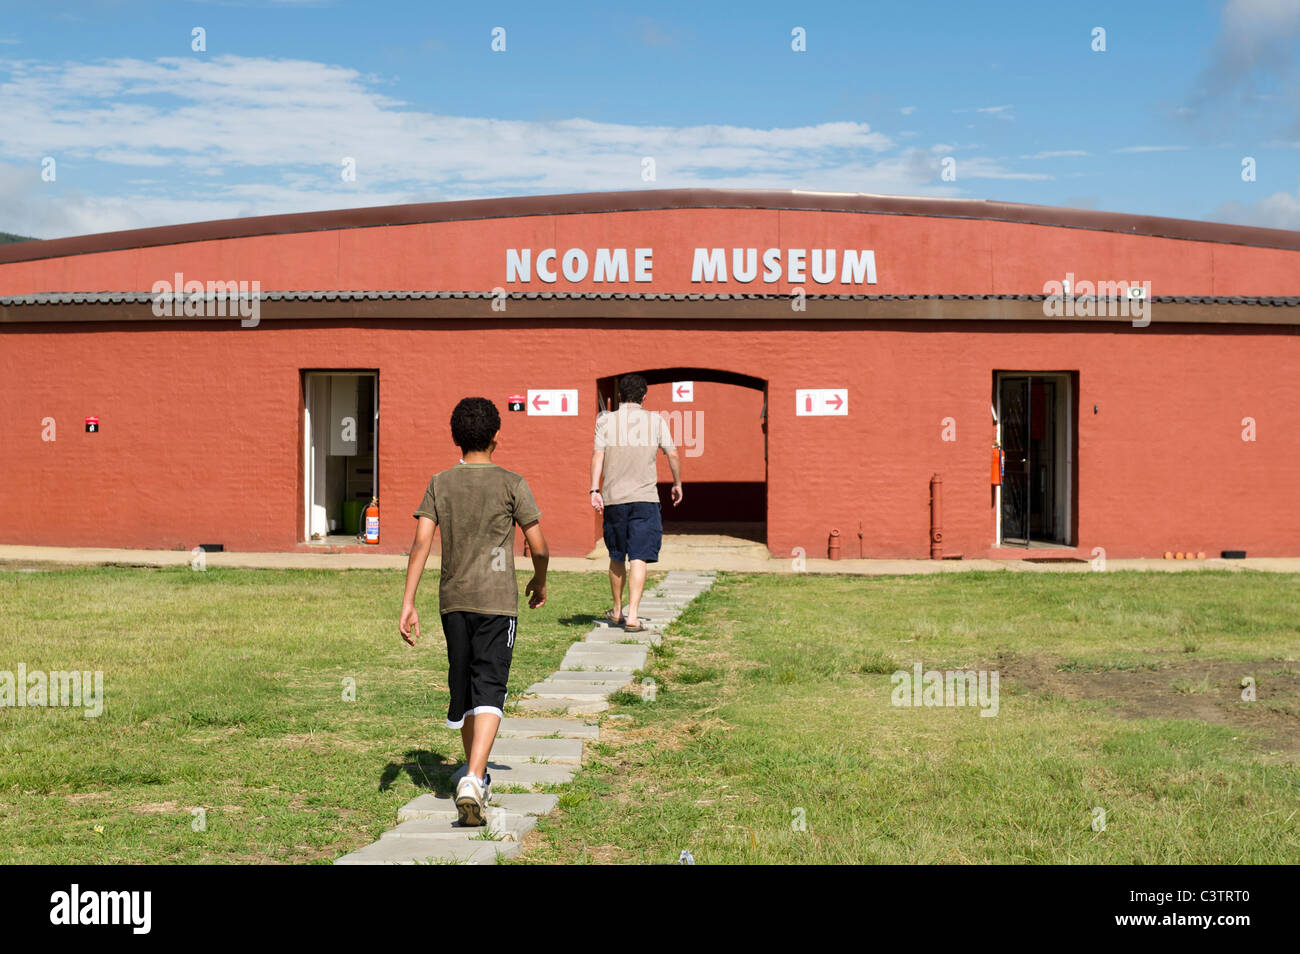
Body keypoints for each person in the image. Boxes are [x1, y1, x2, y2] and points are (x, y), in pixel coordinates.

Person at [399, 397, 549, 826]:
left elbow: (420, 545)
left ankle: (473, 776)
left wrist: (408, 602)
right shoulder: (512, 483)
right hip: (497, 604)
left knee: (466, 688)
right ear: (497, 437)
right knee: (491, 686)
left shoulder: (439, 483)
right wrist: (539, 580)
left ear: (455, 437)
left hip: (454, 602)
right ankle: (474, 776)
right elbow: (538, 545)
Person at [589, 374, 682, 632]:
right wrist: (677, 483)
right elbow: (672, 453)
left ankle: (617, 611)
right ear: (644, 396)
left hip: (615, 498)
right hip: (645, 499)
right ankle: (633, 616)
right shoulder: (655, 421)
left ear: (619, 396)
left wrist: (594, 489)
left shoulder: (605, 421)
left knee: (617, 556)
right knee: (639, 556)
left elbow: (598, 455)